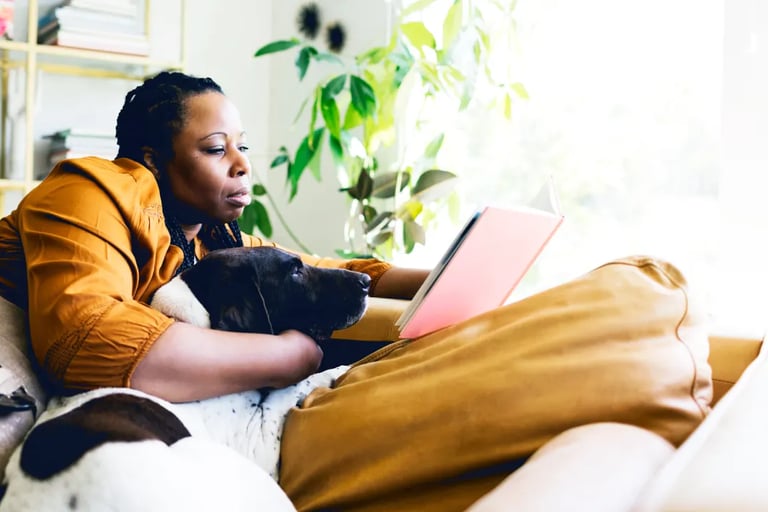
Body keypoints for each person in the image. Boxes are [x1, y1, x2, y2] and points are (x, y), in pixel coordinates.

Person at [0, 71, 713, 511]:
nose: (243, 164)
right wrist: (291, 357)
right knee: (634, 313)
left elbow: (321, 265)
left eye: (243, 144)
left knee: (484, 331)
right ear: (151, 159)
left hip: (241, 409)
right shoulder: (88, 189)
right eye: (217, 149)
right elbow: (86, 341)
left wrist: (442, 269)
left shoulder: (205, 238)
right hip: (182, 425)